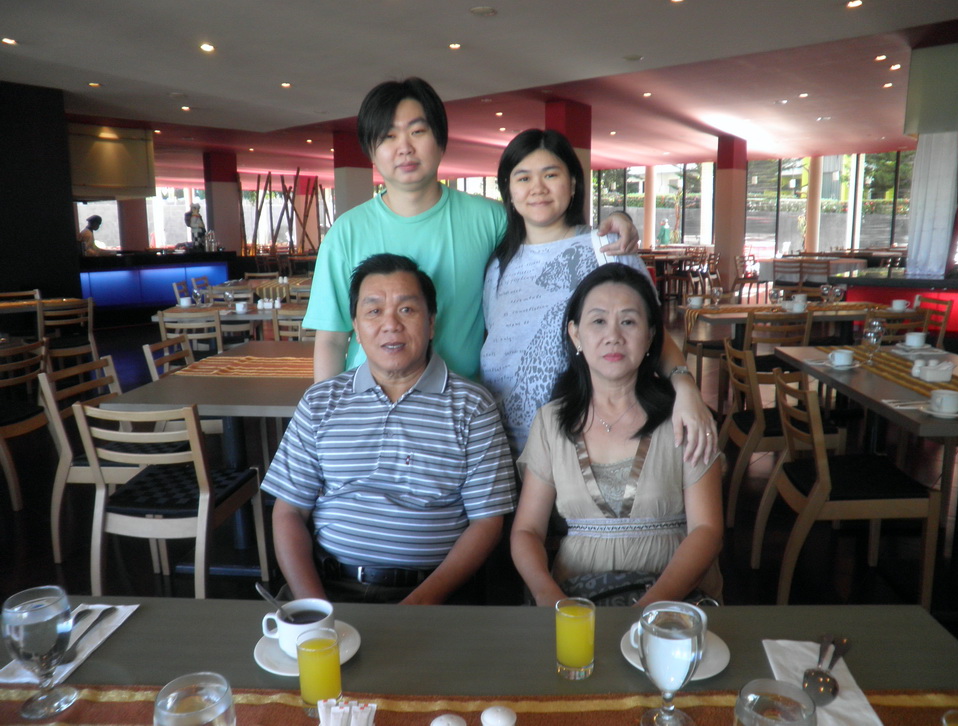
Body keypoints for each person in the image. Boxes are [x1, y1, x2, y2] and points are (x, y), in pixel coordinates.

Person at [303, 77, 639, 385]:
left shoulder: (490, 219)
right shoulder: (346, 232)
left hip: (464, 407)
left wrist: (614, 223)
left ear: (440, 140)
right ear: (371, 150)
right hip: (372, 404)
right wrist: (324, 413)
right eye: (389, 136)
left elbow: (551, 232)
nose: (404, 147)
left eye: (417, 131)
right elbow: (332, 340)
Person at [262, 253, 517, 604]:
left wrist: (418, 605)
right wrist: (315, 608)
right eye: (374, 311)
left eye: (407, 310)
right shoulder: (320, 402)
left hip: (435, 596)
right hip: (329, 589)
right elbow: (289, 511)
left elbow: (487, 522)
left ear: (431, 323)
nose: (391, 325)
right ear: (356, 327)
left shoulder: (473, 406)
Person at [482, 129, 713, 463]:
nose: (537, 188)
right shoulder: (498, 266)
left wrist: (685, 387)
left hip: (584, 445)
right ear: (508, 189)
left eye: (551, 175)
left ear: (574, 183)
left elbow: (649, 334)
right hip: (504, 447)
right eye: (523, 177)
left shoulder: (607, 248)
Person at [510, 263, 723, 607]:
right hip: (575, 596)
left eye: (628, 321)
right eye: (598, 321)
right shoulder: (551, 422)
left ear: (651, 335)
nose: (613, 336)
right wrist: (548, 596)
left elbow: (707, 530)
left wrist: (647, 608)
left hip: (672, 604)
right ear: (575, 334)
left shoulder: (685, 418)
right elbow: (527, 530)